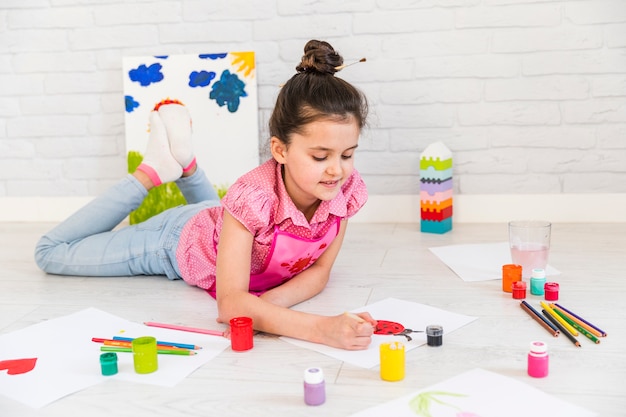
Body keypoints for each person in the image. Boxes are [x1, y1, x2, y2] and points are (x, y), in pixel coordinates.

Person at [35, 39, 376, 350]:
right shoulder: (252, 198)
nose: (337, 170)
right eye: (320, 156)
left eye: (347, 154)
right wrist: (321, 329)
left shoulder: (343, 190)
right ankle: (151, 171)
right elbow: (231, 304)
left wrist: (261, 310)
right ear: (280, 150)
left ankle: (185, 165)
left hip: (222, 223)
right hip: (173, 240)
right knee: (50, 253)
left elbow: (318, 273)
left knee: (220, 213)